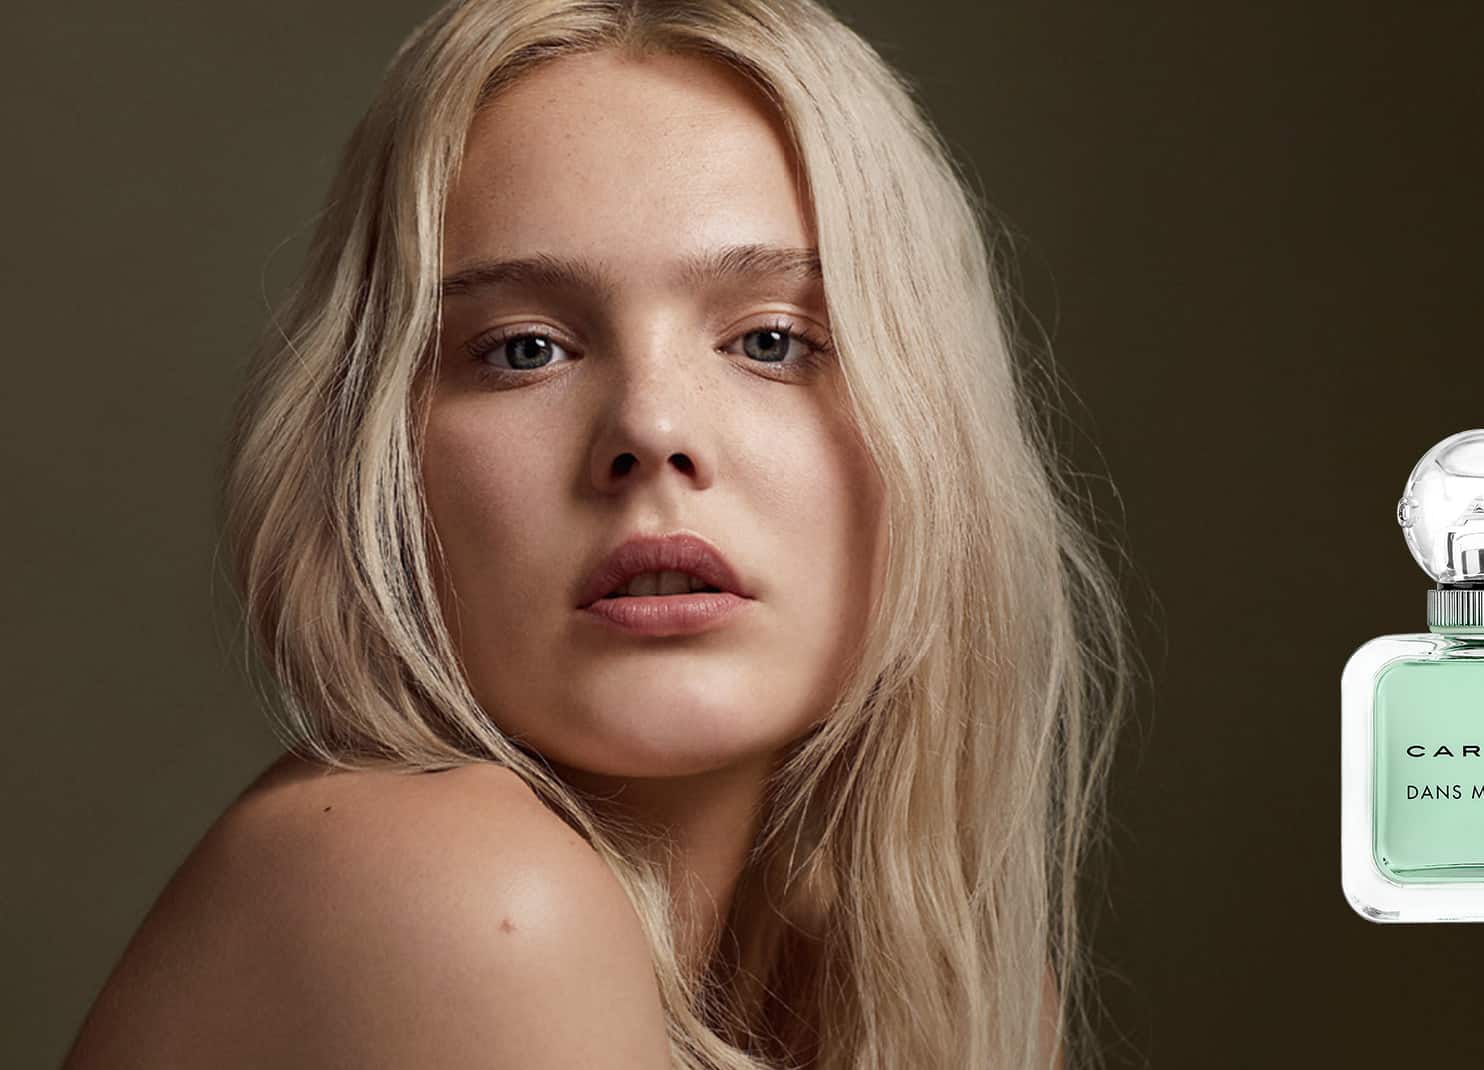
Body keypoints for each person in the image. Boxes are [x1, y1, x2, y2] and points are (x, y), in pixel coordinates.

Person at [65, 1, 1138, 1066]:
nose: (652, 428)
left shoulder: (903, 987)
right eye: (524, 349)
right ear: (377, 455)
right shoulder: (462, 891)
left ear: (937, 432)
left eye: (772, 340)